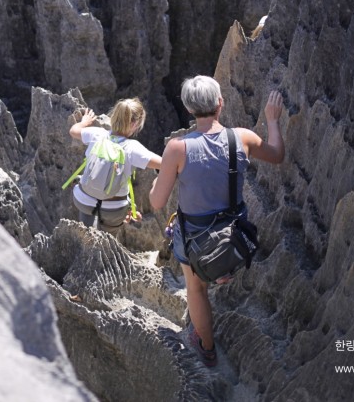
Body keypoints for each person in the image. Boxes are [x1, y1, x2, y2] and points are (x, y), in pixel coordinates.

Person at [150, 76, 285, 367]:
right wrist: (272, 120)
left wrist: (154, 185)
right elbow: (277, 155)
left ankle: (206, 348)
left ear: (188, 108)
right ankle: (224, 270)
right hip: (236, 235)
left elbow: (157, 202)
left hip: (195, 240)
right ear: (220, 103)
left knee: (196, 289)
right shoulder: (243, 138)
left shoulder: (177, 148)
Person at [68, 98, 162, 233]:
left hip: (83, 200)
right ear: (135, 124)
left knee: (86, 225)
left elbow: (73, 131)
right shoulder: (133, 148)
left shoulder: (97, 134)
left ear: (114, 116)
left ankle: (87, 233)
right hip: (114, 209)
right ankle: (106, 240)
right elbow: (164, 164)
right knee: (109, 234)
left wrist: (84, 122)